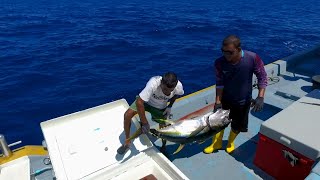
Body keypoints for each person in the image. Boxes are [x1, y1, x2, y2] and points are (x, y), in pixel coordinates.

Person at [204, 35, 267, 154]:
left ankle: (230, 142)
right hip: (225, 99)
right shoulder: (219, 62)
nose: (226, 55)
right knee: (217, 123)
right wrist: (218, 102)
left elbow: (262, 77)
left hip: (243, 100)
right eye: (223, 51)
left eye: (230, 52)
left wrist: (260, 96)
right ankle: (216, 143)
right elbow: (219, 83)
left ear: (238, 49)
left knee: (238, 125)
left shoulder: (252, 58)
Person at [117, 72, 184, 155]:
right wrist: (145, 123)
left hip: (160, 106)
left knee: (163, 126)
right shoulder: (153, 83)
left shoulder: (178, 87)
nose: (167, 92)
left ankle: (163, 146)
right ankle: (127, 142)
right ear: (161, 83)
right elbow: (139, 102)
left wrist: (169, 106)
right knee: (127, 115)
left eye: (171, 90)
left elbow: (176, 95)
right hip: (145, 102)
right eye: (165, 89)